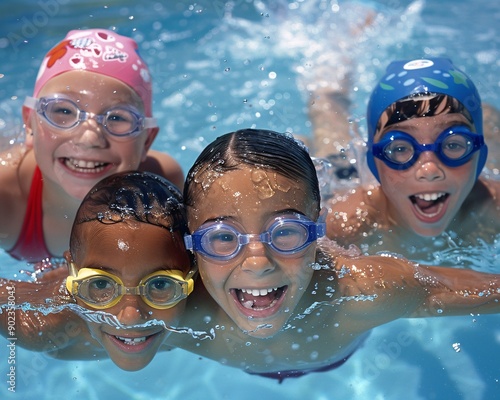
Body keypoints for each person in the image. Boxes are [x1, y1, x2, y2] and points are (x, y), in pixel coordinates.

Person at [3, 129, 500, 381]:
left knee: (337, 163)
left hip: (345, 317)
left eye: (287, 234)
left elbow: (476, 290)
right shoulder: (158, 304)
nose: (257, 262)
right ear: (191, 245)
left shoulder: (360, 291)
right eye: (222, 238)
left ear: (315, 228)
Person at [0, 28, 184, 263]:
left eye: (117, 118)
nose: (89, 139)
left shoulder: (159, 183)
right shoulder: (5, 196)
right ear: (30, 123)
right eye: (63, 111)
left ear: (146, 140)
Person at [0, 171, 195, 371]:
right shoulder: (41, 327)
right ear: (72, 271)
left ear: (194, 272)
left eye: (160, 284)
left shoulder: (207, 313)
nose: (131, 317)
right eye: (101, 283)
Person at [310, 58, 500, 257]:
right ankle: (332, 71)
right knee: (331, 125)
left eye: (452, 145)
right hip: (345, 176)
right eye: (400, 149)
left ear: (480, 158)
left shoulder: (492, 206)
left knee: (489, 128)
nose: (429, 170)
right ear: (373, 164)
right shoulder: (347, 225)